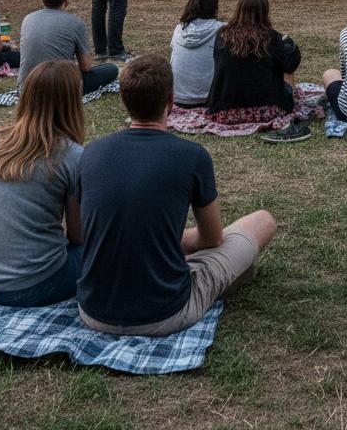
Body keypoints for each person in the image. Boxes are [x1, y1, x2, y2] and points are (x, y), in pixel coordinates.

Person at [76, 55, 277, 336]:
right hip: (166, 313)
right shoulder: (192, 156)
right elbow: (212, 238)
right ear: (171, 100)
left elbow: (82, 231)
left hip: (93, 311)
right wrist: (171, 239)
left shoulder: (91, 153)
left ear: (123, 98)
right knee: (262, 221)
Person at [0, 60, 85, 307]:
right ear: (73, 104)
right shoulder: (72, 156)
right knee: (105, 251)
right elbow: (77, 236)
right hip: (32, 286)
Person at [18, 0, 119, 95]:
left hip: (27, 88)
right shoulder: (76, 23)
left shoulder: (28, 19)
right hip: (60, 89)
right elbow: (86, 66)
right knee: (111, 69)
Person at [206, 0, 301, 119]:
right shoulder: (270, 37)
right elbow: (290, 65)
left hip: (224, 111)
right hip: (267, 110)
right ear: (264, 13)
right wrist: (288, 43)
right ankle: (290, 97)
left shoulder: (223, 35)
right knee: (286, 75)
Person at [170, 0, 224, 108]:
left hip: (177, 97)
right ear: (215, 8)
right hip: (210, 98)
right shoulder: (223, 30)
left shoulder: (179, 29)